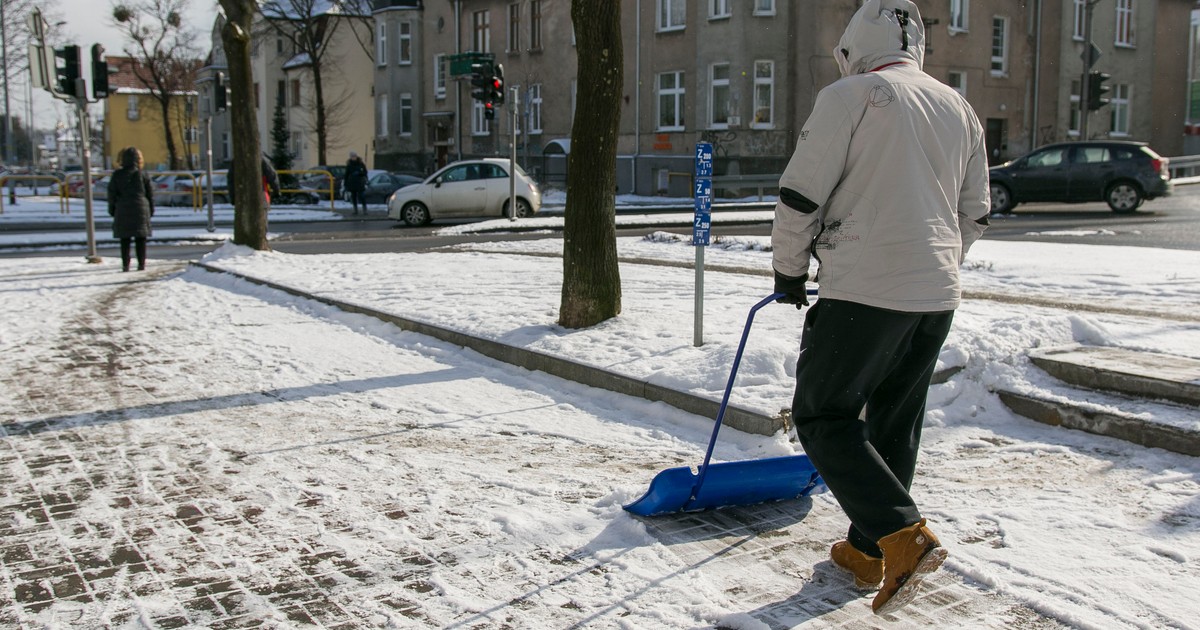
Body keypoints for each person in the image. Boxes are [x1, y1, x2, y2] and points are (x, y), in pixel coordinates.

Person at [770, 0, 989, 615]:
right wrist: (935, 262)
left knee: (822, 415)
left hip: (865, 290)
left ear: (851, 47)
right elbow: (975, 213)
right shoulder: (959, 106)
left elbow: (800, 195)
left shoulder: (850, 97)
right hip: (936, 295)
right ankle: (869, 551)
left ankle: (904, 535)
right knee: (896, 417)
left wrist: (789, 272)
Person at [107, 147, 155, 272]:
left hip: (122, 209)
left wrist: (112, 209)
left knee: (125, 239)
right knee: (141, 239)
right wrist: (151, 210)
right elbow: (150, 194)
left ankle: (125, 265)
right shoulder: (142, 174)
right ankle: (141, 264)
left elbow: (112, 194)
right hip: (141, 208)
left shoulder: (117, 174)